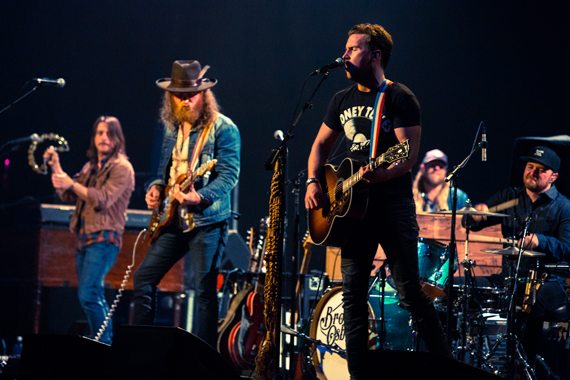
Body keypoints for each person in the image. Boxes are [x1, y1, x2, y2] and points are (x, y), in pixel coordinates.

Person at [305, 23, 452, 379]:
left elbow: (408, 155)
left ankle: (448, 369)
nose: (344, 55)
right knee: (353, 299)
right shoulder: (340, 99)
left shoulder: (400, 98)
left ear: (375, 55)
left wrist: (383, 173)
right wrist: (313, 180)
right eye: (346, 48)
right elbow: (320, 146)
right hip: (352, 213)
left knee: (410, 294)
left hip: (392, 207)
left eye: (353, 49)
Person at [133, 60, 240, 348]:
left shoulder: (223, 128)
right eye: (177, 96)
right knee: (143, 279)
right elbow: (162, 173)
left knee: (204, 292)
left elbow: (229, 175)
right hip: (173, 219)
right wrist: (154, 189)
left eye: (189, 96)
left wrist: (200, 196)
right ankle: (143, 352)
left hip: (206, 222)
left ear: (203, 94)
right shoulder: (170, 128)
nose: (184, 101)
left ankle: (203, 364)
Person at [467, 146, 570, 370]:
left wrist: (539, 241)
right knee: (464, 286)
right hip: (510, 275)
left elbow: (567, 249)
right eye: (530, 166)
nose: (532, 172)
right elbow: (473, 223)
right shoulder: (509, 197)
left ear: (554, 177)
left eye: (541, 169)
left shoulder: (565, 207)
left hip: (550, 280)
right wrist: (476, 215)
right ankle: (468, 358)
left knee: (531, 301)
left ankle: (523, 365)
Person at [44, 116, 135, 344]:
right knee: (91, 294)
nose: (104, 138)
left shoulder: (123, 168)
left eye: (109, 133)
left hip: (104, 239)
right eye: (99, 133)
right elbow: (68, 192)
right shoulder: (90, 167)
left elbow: (102, 198)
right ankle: (103, 342)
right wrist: (56, 167)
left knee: (88, 293)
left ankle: (103, 343)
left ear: (117, 139)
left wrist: (72, 184)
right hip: (84, 238)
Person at [412, 148, 469, 213]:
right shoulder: (410, 195)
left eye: (441, 166)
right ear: (422, 168)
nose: (437, 168)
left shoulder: (458, 196)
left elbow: (469, 219)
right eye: (432, 165)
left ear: (445, 170)